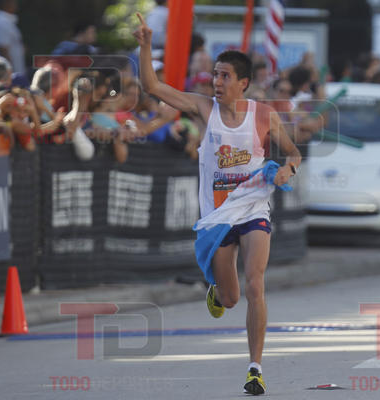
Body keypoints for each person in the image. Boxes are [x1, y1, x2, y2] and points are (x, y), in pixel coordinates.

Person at [134, 13, 301, 396]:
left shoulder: (263, 115)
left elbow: (294, 154)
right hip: (217, 217)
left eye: (225, 76)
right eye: (215, 75)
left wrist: (286, 171)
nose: (217, 82)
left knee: (256, 284)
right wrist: (145, 44)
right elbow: (153, 86)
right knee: (230, 298)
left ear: (243, 83)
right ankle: (216, 287)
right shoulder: (202, 107)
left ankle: (255, 368)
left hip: (254, 206)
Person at [0, 0, 25, 74]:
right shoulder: (2, 22)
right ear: (7, 3)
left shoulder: (7, 21)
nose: (16, 4)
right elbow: (3, 49)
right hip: (9, 76)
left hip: (14, 74)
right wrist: (10, 73)